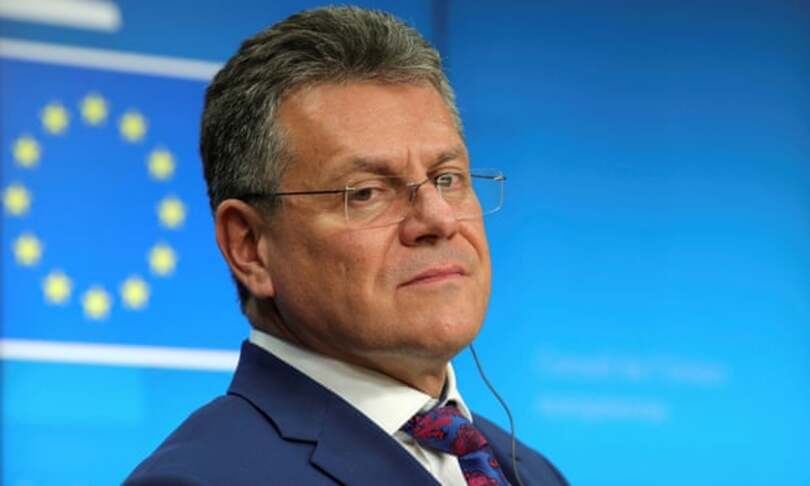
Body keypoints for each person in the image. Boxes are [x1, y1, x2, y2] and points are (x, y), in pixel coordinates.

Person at [126, 6, 567, 485]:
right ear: (249, 246)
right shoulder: (201, 479)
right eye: (366, 193)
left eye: (447, 178)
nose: (439, 220)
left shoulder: (530, 472)